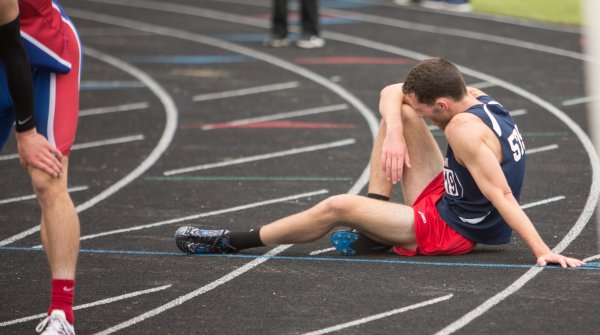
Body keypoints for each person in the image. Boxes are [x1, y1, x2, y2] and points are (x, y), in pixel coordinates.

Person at [174, 58, 585, 268]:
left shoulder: (463, 130)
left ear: (443, 104)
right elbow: (394, 90)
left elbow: (503, 196)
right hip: (449, 197)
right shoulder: (476, 98)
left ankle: (231, 240)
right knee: (398, 116)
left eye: (428, 113)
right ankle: (377, 222)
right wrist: (393, 129)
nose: (424, 117)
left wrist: (544, 250)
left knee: (338, 207)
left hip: (451, 229)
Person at [0, 0, 82, 334]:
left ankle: (62, 314)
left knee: (47, 179)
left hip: (48, 59)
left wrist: (27, 131)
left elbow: (14, 49)